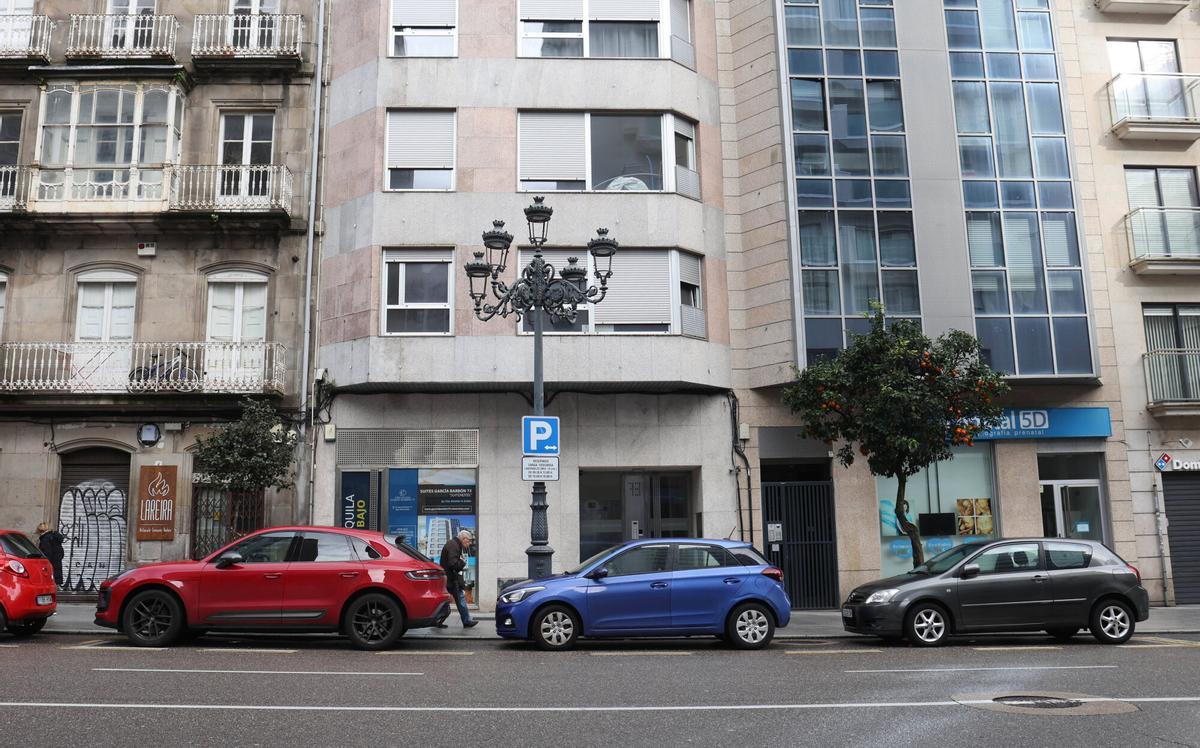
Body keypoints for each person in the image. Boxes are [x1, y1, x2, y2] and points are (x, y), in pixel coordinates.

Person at [438, 529, 477, 628]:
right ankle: (466, 621)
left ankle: (438, 620)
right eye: (469, 541)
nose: (469, 543)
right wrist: (462, 562)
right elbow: (453, 564)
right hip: (451, 579)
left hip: (450, 578)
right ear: (464, 539)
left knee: (447, 601)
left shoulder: (454, 544)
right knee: (459, 599)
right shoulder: (453, 545)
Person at [36, 522, 65, 587]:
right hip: (57, 561)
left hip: (51, 563)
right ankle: (56, 587)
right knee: (56, 579)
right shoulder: (54, 536)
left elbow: (47, 553)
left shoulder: (45, 539)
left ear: (40, 531)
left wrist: (44, 563)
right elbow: (60, 551)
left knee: (50, 580)